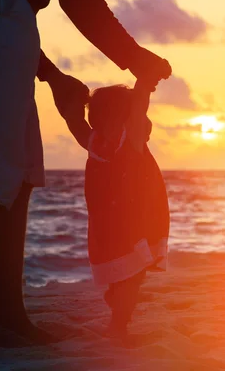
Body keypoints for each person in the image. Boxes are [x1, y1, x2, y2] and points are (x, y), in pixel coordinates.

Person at [0, 0, 171, 350]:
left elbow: (24, 0)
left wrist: (54, 76)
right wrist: (136, 59)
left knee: (18, 168)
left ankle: (10, 316)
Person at [64, 82, 170, 341]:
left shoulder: (93, 141)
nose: (147, 123)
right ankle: (118, 327)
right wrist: (146, 75)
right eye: (141, 116)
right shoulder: (129, 140)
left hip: (107, 229)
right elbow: (140, 103)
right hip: (133, 226)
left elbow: (73, 121)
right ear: (126, 118)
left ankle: (116, 298)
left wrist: (71, 99)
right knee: (134, 277)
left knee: (124, 272)